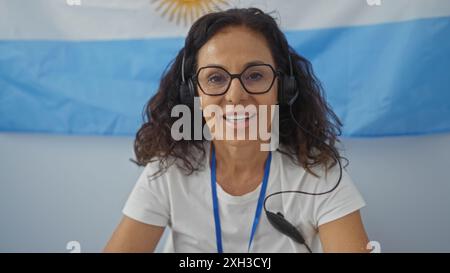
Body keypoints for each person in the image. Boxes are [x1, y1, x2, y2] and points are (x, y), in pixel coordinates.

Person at [104, 7, 369, 253]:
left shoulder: (318, 172)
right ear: (192, 93)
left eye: (254, 76)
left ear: (284, 87)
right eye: (215, 78)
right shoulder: (170, 168)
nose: (235, 96)